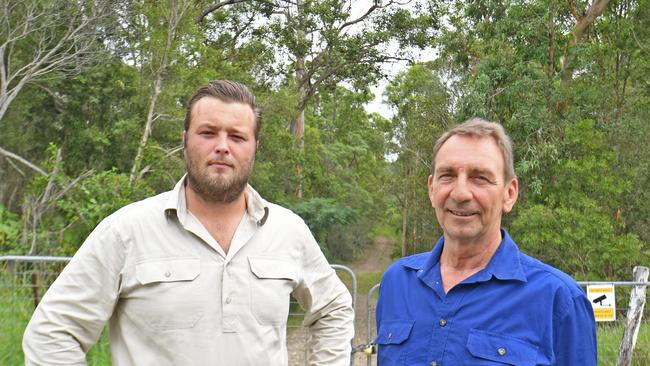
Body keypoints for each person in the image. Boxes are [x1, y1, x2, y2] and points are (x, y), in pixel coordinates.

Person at [23, 80, 354, 366]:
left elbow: (334, 309)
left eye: (237, 137)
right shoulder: (126, 231)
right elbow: (52, 333)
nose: (222, 146)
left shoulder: (288, 231)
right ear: (185, 138)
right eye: (208, 133)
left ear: (255, 147)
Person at [375, 118, 597, 365]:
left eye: (479, 177)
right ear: (431, 189)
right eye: (447, 175)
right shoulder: (397, 282)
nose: (460, 193)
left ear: (509, 193)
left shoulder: (559, 299)